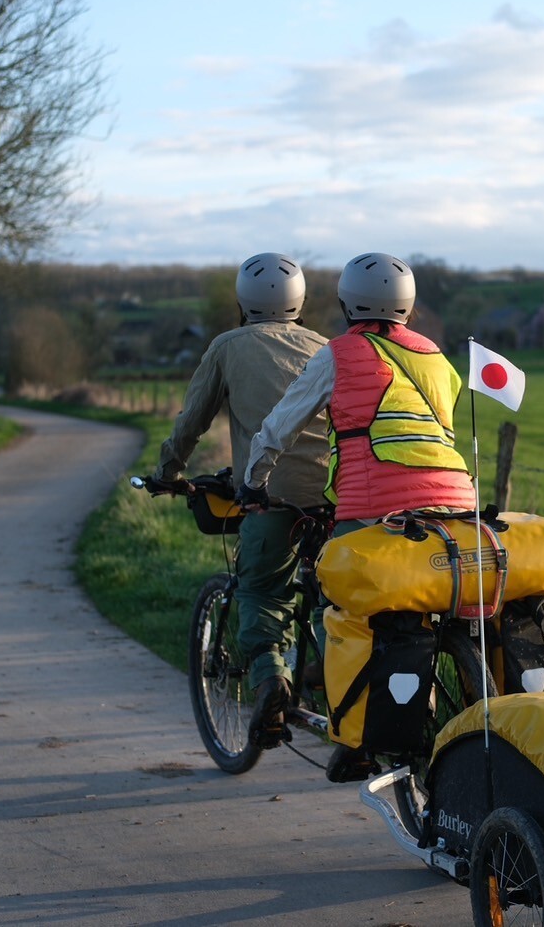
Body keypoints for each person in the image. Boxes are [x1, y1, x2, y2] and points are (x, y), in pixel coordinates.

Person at [240, 252, 475, 781]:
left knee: (341, 608)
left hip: (374, 510)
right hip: (457, 505)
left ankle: (359, 739)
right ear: (408, 308)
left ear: (346, 304)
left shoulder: (340, 354)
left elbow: (279, 425)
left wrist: (253, 481)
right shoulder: (437, 358)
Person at [154, 253, 329, 750]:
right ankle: (340, 679)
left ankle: (272, 678)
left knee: (261, 591)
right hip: (335, 499)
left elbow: (193, 420)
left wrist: (168, 471)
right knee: (333, 596)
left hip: (270, 495)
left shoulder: (228, 346)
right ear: (300, 300)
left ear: (242, 301)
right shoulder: (325, 347)